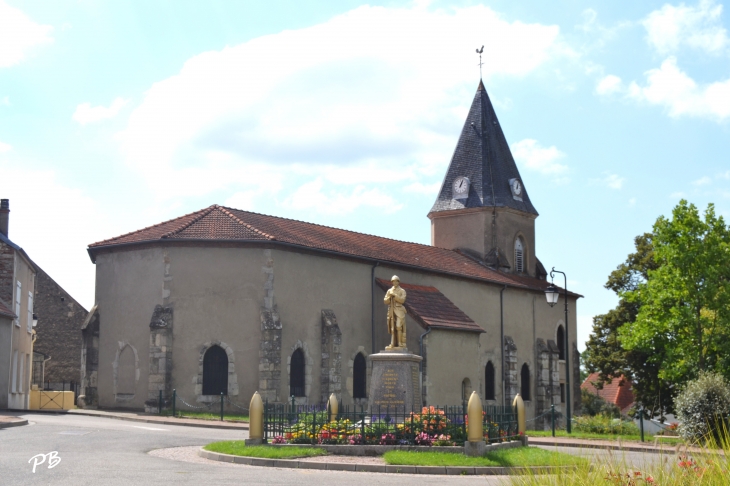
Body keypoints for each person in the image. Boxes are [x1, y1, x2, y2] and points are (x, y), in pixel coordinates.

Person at [384, 275, 407, 349]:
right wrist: (389, 297)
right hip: (391, 310)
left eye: (396, 281)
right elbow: (385, 301)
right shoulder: (389, 290)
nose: (395, 283)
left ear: (398, 282)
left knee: (398, 326)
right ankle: (392, 343)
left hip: (399, 309)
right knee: (392, 328)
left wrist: (395, 296)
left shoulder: (402, 291)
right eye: (393, 281)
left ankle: (400, 343)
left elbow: (402, 300)